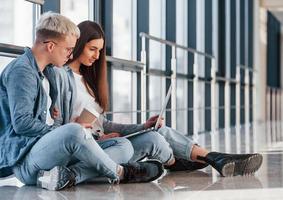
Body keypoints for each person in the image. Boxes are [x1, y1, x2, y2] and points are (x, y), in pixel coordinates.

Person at [57, 20, 263, 178]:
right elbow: (61, 129)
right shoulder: (61, 77)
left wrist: (142, 125)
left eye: (100, 51)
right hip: (89, 149)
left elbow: (105, 124)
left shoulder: (89, 81)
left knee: (156, 130)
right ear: (78, 44)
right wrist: (97, 138)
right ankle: (187, 160)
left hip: (107, 143)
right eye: (92, 49)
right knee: (155, 139)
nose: (96, 56)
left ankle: (212, 157)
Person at [0, 12, 165, 191]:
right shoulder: (22, 72)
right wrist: (63, 130)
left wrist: (67, 126)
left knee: (123, 146)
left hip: (51, 154)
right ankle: (121, 173)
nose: (71, 55)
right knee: (74, 131)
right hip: (26, 160)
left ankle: (67, 176)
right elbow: (22, 124)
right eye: (68, 49)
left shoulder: (49, 74)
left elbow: (50, 120)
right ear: (50, 46)